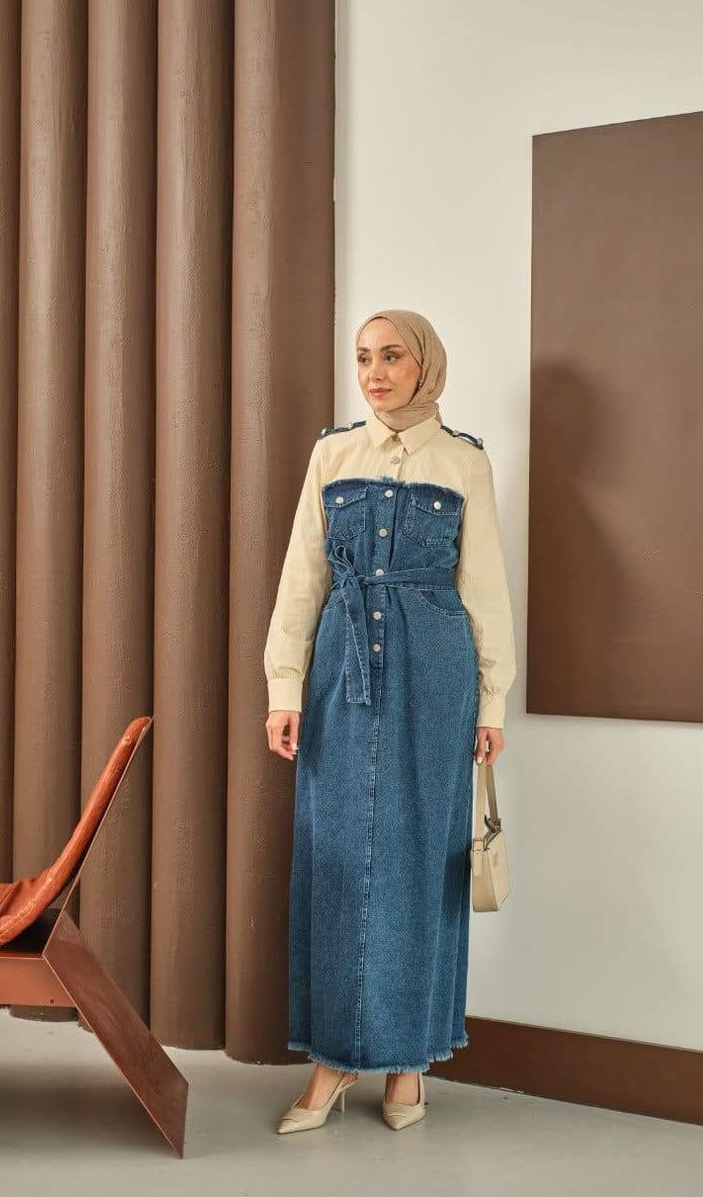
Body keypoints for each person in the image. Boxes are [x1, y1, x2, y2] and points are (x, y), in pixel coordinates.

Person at [264, 308, 516, 1133]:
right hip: (341, 670)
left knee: (422, 858)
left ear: (424, 366)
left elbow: (484, 588)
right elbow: (301, 577)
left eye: (391, 356)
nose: (374, 373)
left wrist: (490, 699)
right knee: (336, 857)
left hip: (434, 676)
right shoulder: (332, 454)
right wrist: (284, 688)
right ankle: (333, 1060)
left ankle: (409, 1062)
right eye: (363, 357)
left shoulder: (464, 461)